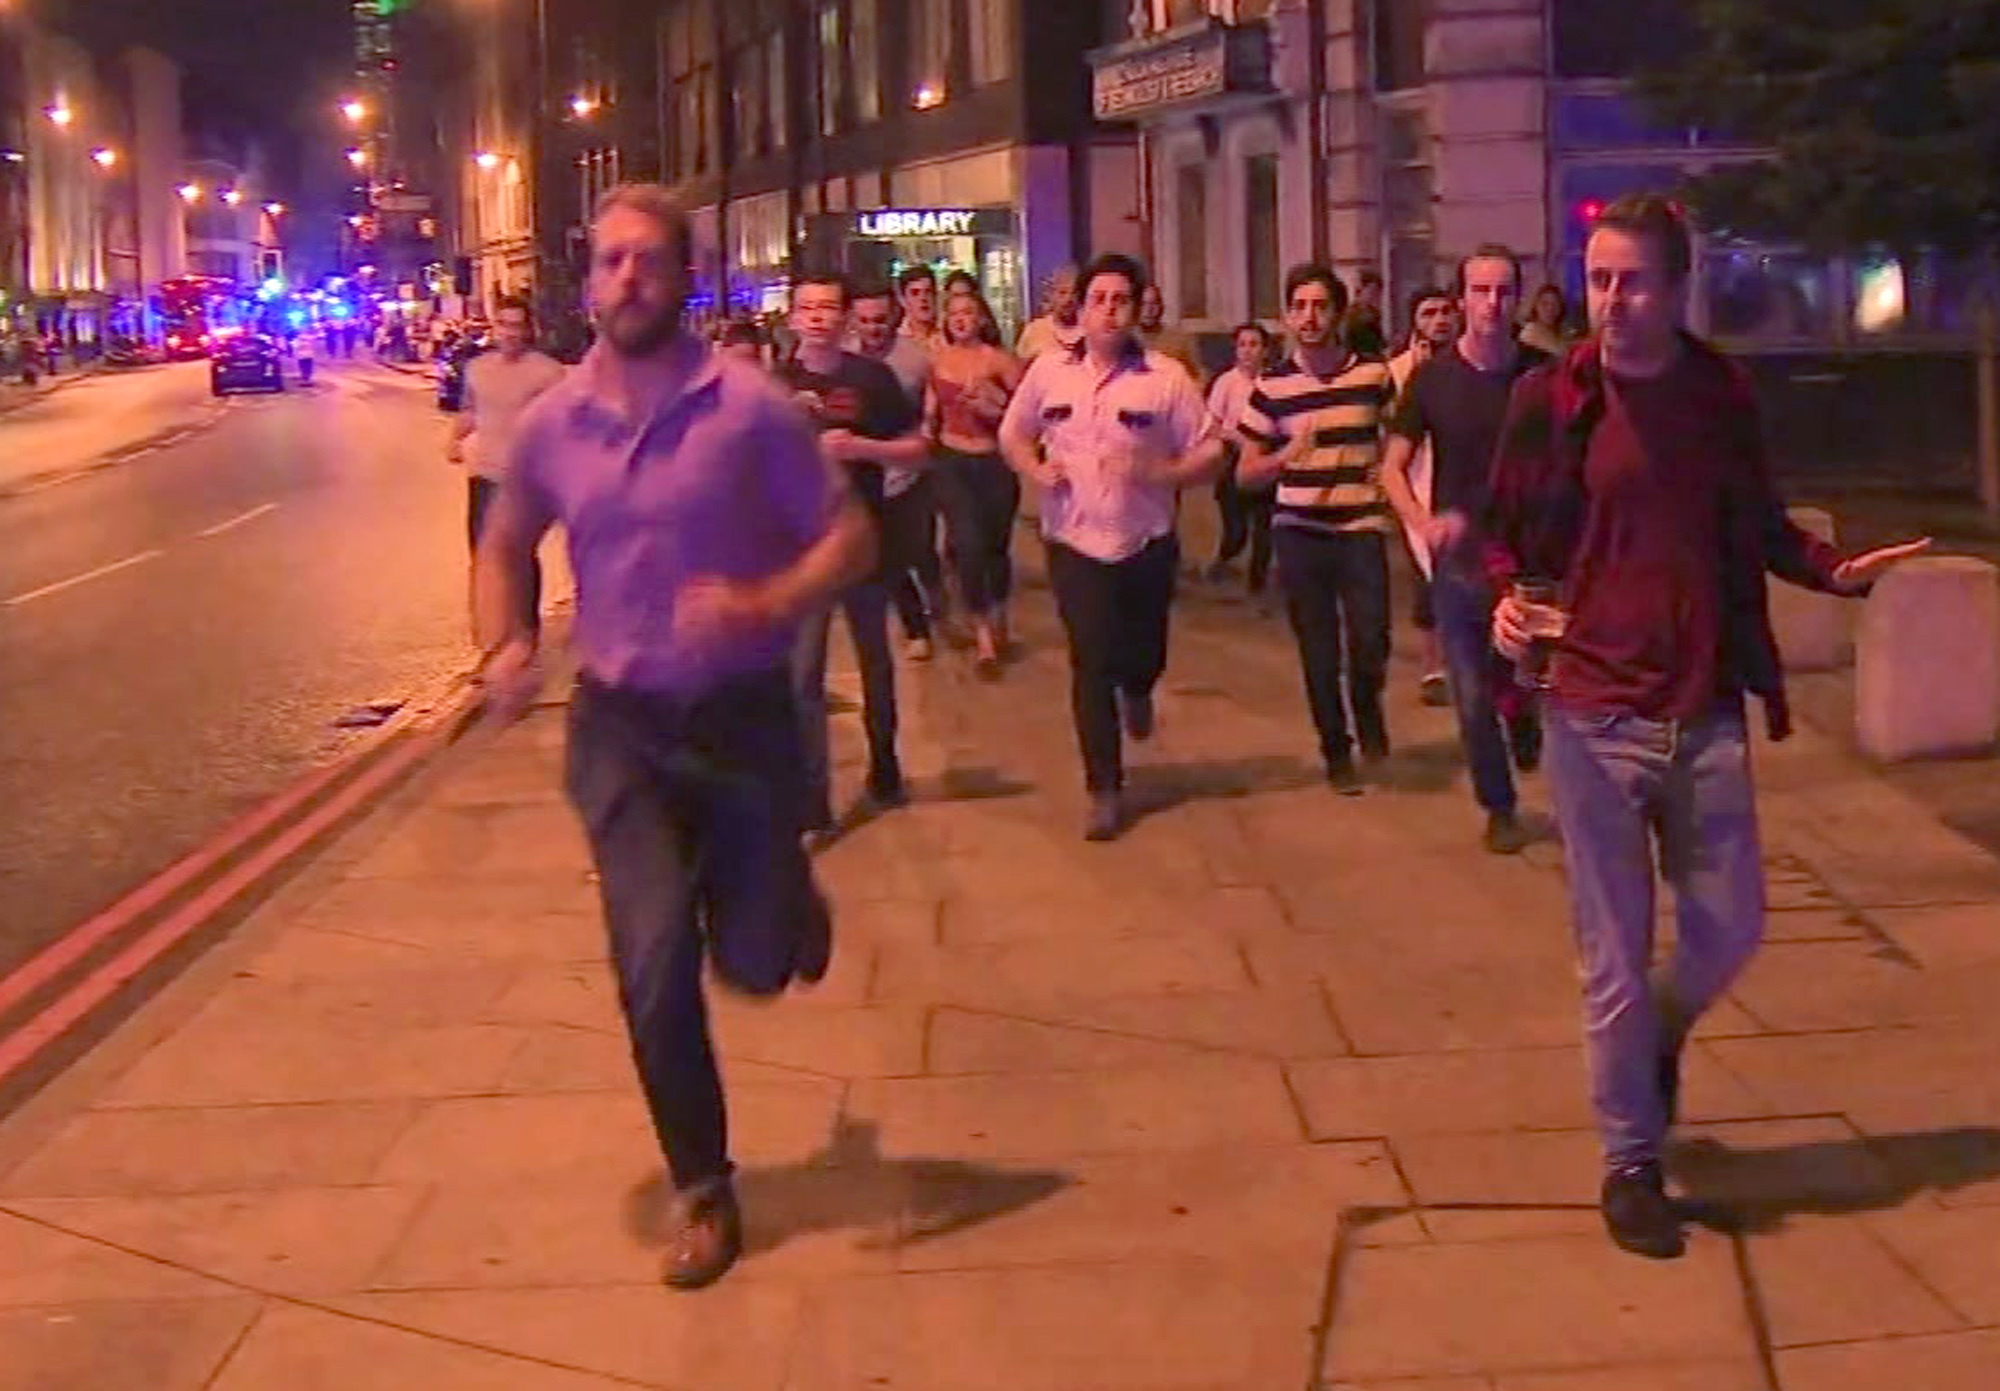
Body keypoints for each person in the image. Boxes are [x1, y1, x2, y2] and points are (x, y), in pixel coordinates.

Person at [1485, 194, 1929, 1260]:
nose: (1609, 299)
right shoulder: (1551, 395)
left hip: (1700, 706)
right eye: (1595, 277)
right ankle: (1630, 1159)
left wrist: (1831, 569)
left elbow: (1762, 523)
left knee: (1729, 924)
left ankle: (1660, 1036)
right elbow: (1505, 531)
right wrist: (1504, 598)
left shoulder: (1715, 394)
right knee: (1613, 958)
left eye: (1630, 279)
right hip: (1588, 710)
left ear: (1675, 288)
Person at [474, 183, 874, 1290]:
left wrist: (766, 602)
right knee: (651, 966)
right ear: (586, 277)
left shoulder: (749, 409)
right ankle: (703, 1185)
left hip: (741, 721)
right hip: (620, 735)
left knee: (748, 963)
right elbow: (505, 542)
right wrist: (502, 644)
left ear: (684, 276)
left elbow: (849, 536)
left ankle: (784, 903)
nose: (625, 280)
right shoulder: (555, 421)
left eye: (646, 261)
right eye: (607, 262)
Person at [999, 254, 1221, 841]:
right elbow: (1013, 433)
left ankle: (1140, 687)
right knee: (1089, 660)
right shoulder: (1049, 371)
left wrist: (1164, 472)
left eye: (1121, 299)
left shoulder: (1165, 378)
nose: (1108, 309)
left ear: (1138, 307)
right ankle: (1104, 787)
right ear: (1082, 306)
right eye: (1098, 298)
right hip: (1073, 539)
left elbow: (1210, 450)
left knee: (1142, 652)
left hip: (1145, 541)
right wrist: (1033, 467)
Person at [1382, 250, 1548, 856]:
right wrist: (1422, 522)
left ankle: (1524, 714)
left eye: (1504, 291)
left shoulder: (1543, 375)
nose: (1492, 304)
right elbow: (1392, 468)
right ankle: (1499, 806)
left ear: (1518, 299)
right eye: (1480, 290)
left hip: (1531, 561)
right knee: (1471, 689)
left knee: (1519, 677)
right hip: (1461, 564)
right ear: (1461, 299)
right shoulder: (1434, 379)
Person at [776, 272, 930, 839]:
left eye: (828, 308)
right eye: (807, 307)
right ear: (792, 317)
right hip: (801, 552)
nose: (817, 317)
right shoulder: (772, 384)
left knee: (875, 662)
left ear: (844, 318)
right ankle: (812, 799)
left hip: (864, 542)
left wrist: (861, 446)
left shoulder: (873, 378)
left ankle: (885, 763)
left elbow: (918, 450)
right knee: (802, 677)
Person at [1239, 264, 1398, 795]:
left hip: (1361, 523)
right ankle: (1337, 751)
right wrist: (1285, 455)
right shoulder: (1272, 387)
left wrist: (1394, 476)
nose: (1309, 317)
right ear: (1287, 315)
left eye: (1320, 306)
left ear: (1337, 313)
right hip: (1300, 528)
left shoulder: (1373, 377)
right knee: (1319, 650)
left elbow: (1402, 443)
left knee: (1371, 638)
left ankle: (1367, 704)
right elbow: (1245, 471)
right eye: (1299, 306)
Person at [447, 294, 566, 637]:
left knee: (517, 556)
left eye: (517, 326)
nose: (510, 333)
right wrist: (453, 440)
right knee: (483, 559)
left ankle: (525, 633)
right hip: (484, 476)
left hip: (525, 480)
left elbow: (563, 423)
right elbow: (470, 410)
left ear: (528, 330)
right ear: (494, 327)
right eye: (504, 325)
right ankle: (490, 640)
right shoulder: (477, 369)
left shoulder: (548, 373)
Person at [929, 290, 1024, 676]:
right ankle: (982, 634)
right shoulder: (938, 360)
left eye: (968, 312)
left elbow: (1024, 414)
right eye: (953, 313)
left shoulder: (999, 360)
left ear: (982, 318)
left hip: (993, 461)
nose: (960, 319)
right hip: (951, 460)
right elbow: (930, 410)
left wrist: (992, 406)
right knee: (966, 544)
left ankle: (998, 610)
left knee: (994, 547)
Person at [856, 281, 946, 661]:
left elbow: (935, 404)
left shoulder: (914, 359)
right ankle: (915, 627)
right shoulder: (842, 356)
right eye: (864, 320)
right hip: (863, 473)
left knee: (918, 548)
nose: (873, 328)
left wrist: (929, 431)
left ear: (893, 316)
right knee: (886, 556)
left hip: (909, 470)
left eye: (880, 320)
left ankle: (934, 584)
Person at [1388, 285, 1460, 706]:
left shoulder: (1468, 363)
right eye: (1429, 313)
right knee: (1425, 580)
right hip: (1417, 483)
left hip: (1460, 482)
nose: (1439, 321)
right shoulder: (1397, 372)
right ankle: (1432, 666)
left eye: (1445, 312)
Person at [1204, 322, 1277, 597]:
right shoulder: (1226, 382)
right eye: (1242, 345)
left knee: (1265, 526)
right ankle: (1223, 562)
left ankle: (1257, 585)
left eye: (1254, 344)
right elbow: (1211, 424)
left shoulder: (1273, 382)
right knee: (1235, 528)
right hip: (1233, 461)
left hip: (1265, 460)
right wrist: (1235, 437)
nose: (1247, 351)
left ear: (1266, 350)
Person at [1015, 266, 1082, 360]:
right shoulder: (1035, 330)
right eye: (1062, 293)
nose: (1068, 299)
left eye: (1074, 293)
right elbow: (1021, 369)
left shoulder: (1090, 331)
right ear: (1051, 295)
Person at [1137, 284, 1201, 379]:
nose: (1149, 310)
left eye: (1154, 303)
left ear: (1162, 307)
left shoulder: (1180, 339)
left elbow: (1197, 374)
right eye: (1143, 304)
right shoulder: (1123, 340)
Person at [1344, 268, 1388, 359]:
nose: (1376, 296)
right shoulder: (1353, 318)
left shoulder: (1373, 315)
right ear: (1360, 291)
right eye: (1372, 292)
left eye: (1378, 293)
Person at [1519, 282, 1574, 356]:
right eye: (1544, 304)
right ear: (1535, 306)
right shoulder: (1530, 332)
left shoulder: (1562, 331)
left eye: (1555, 304)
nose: (1550, 309)